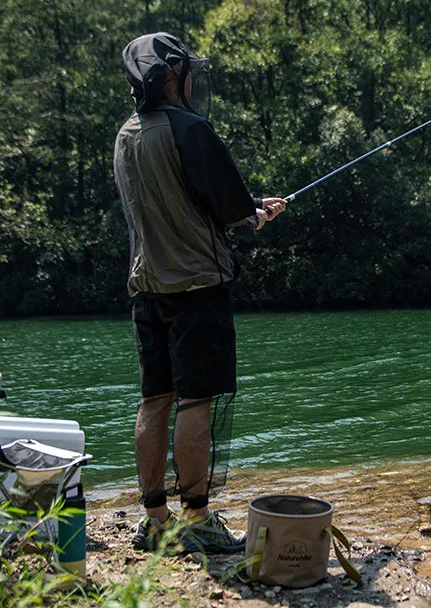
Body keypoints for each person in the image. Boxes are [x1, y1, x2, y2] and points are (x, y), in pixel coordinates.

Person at [113, 32, 286, 554]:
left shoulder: (126, 133)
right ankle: (196, 519)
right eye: (186, 69)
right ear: (171, 74)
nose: (192, 78)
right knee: (195, 400)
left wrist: (247, 208)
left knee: (154, 399)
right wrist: (257, 215)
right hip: (197, 286)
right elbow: (231, 211)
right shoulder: (190, 129)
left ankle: (154, 519)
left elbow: (181, 200)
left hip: (147, 288)